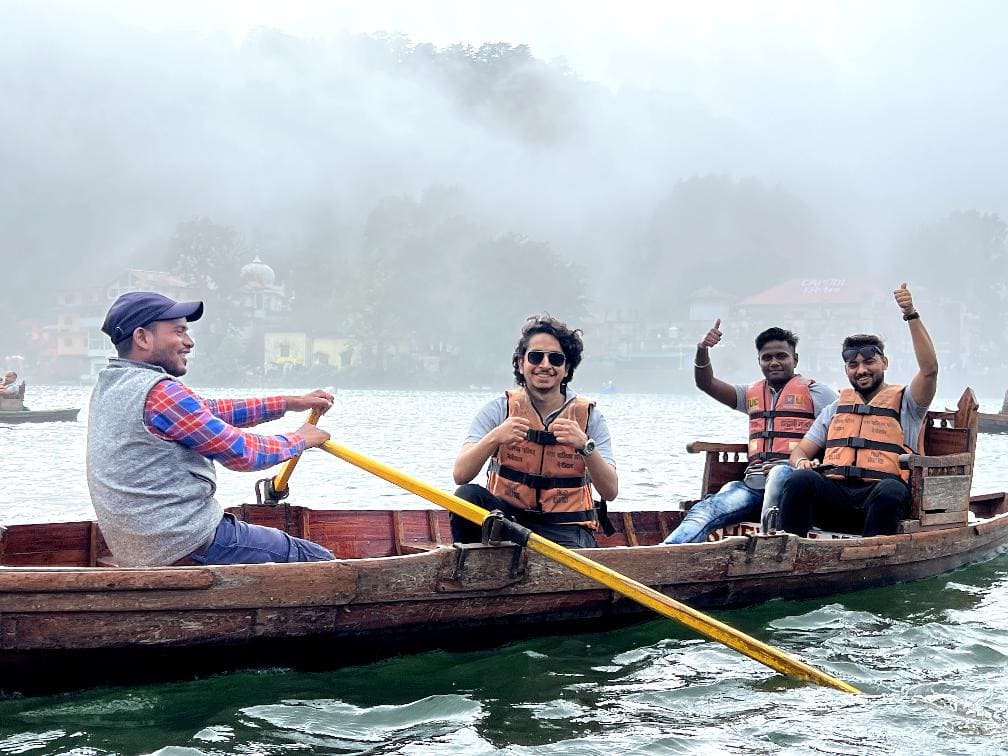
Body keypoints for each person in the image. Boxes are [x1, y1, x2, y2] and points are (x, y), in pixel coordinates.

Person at [86, 291, 336, 567]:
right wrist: (301, 438)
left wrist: (290, 403)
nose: (189, 342)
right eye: (179, 332)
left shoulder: (112, 385)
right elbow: (245, 454)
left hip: (146, 547)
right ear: (143, 338)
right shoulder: (160, 393)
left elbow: (206, 410)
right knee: (319, 561)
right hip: (186, 541)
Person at [777, 283, 938, 537]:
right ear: (846, 370)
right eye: (853, 365)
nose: (861, 370)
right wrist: (802, 463)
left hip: (879, 500)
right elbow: (799, 452)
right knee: (799, 480)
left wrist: (910, 313)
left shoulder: (908, 403)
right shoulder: (835, 408)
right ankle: (786, 552)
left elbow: (929, 370)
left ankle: (871, 559)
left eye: (869, 362)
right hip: (835, 497)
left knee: (891, 490)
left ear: (884, 362)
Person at [451, 314, 619, 548]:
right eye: (536, 357)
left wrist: (585, 446)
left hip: (566, 530)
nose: (545, 365)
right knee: (467, 496)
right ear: (521, 364)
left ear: (567, 368)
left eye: (556, 359)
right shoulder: (499, 409)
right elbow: (460, 474)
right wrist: (495, 437)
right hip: (510, 522)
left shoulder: (591, 418)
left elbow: (610, 491)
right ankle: (473, 571)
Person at [663, 323, 837, 544]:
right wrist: (702, 349)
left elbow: (839, 435)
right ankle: (663, 553)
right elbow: (705, 383)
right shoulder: (750, 394)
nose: (774, 362)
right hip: (752, 487)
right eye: (767, 358)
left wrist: (801, 465)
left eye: (781, 356)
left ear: (795, 359)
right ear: (759, 362)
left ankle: (768, 543)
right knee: (705, 511)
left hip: (794, 485)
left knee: (779, 474)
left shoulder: (818, 392)